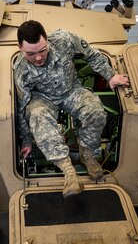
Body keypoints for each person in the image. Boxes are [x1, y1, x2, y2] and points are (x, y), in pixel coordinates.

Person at [14, 20, 129, 198]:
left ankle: (87, 154)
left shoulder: (64, 40)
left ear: (47, 40)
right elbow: (22, 108)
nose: (38, 58)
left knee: (95, 110)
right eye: (31, 54)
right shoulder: (21, 70)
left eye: (42, 50)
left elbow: (91, 54)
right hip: (43, 98)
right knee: (36, 114)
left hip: (71, 90)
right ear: (20, 47)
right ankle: (69, 172)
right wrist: (27, 141)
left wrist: (111, 76)